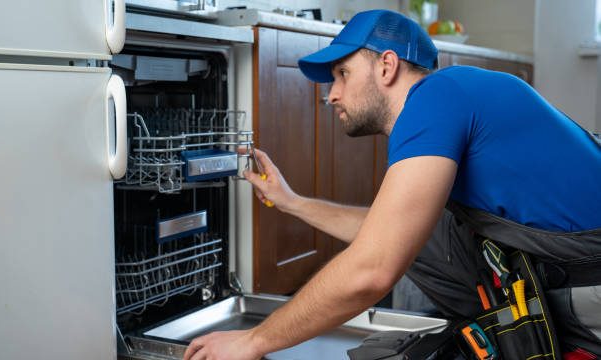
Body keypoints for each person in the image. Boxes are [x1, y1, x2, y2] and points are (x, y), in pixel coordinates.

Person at [184, 9, 601, 360]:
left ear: (387, 65)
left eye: (343, 73)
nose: (331, 94)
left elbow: (372, 268)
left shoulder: (436, 98)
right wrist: (290, 201)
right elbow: (386, 232)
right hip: (567, 261)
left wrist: (254, 340)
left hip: (589, 288)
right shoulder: (455, 94)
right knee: (428, 234)